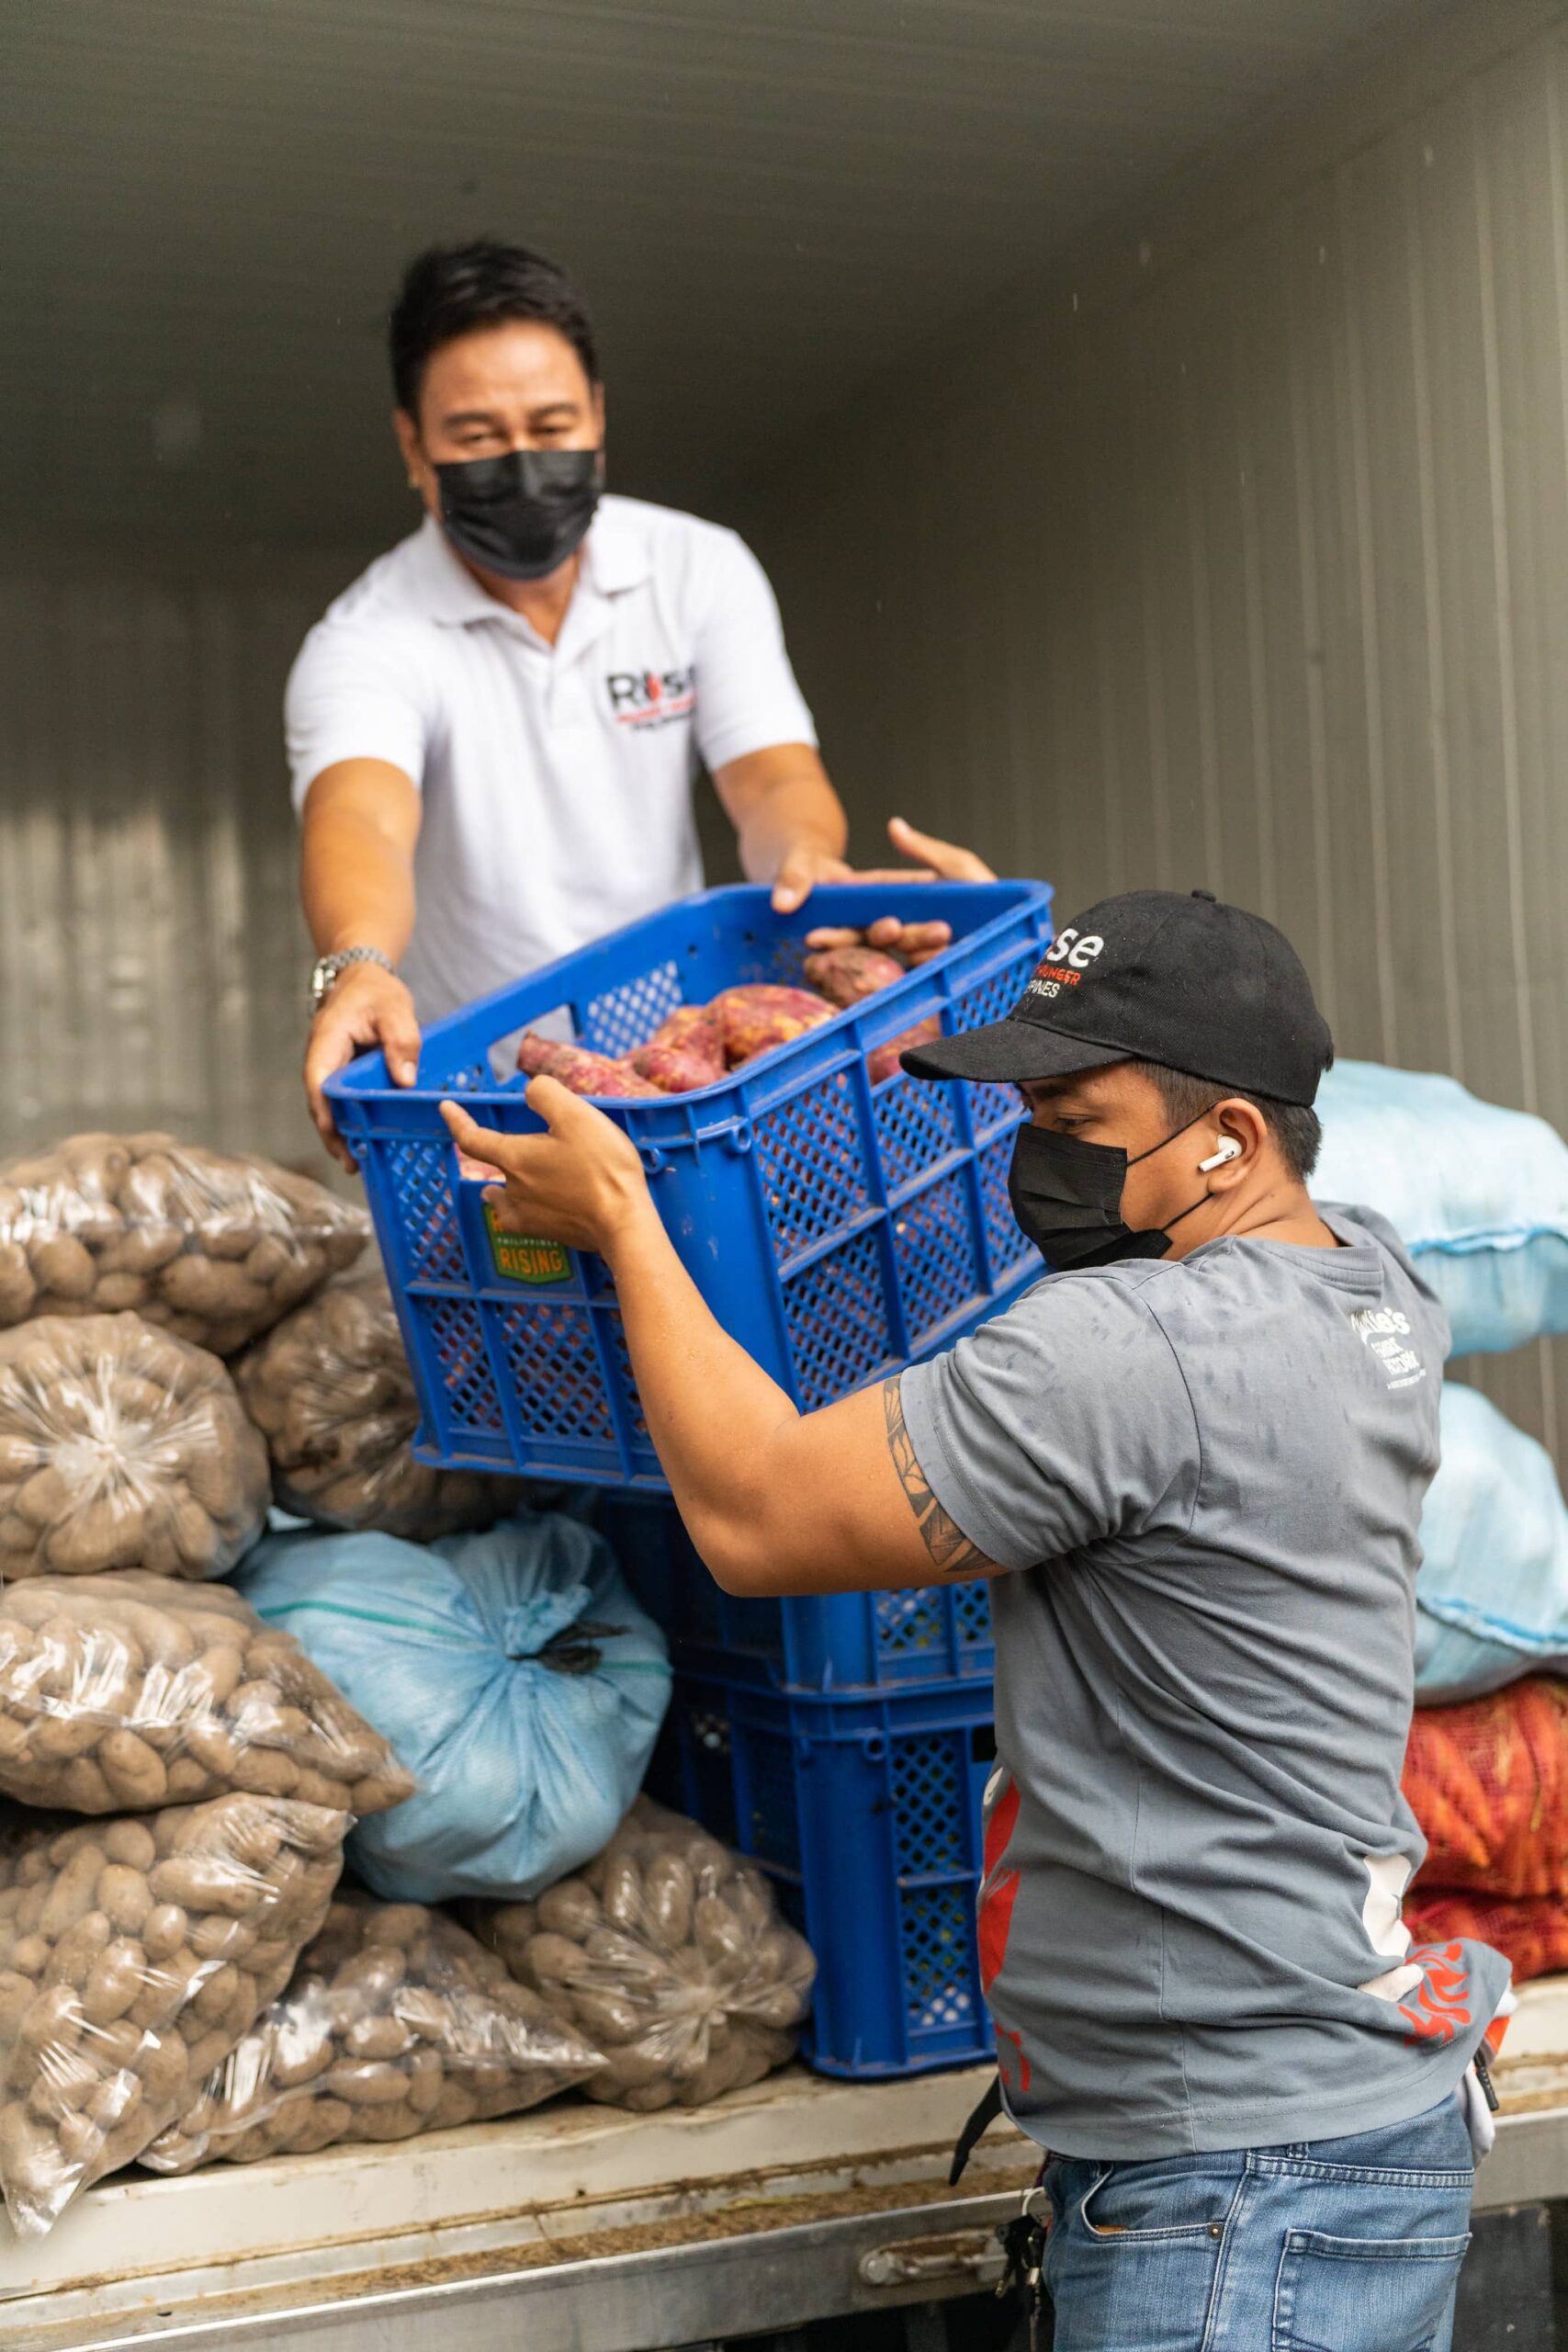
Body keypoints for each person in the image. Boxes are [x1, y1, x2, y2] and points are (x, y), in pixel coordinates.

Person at [441, 886, 1509, 2352]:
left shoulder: (1128, 1348)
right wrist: (1042, 965)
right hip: (1350, 2120)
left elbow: (754, 1518)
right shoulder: (1366, 1285)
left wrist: (624, 1221)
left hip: (1231, 2190)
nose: (1035, 1149)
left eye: (1073, 1111)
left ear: (1228, 1140)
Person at [289, 236, 977, 1167]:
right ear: (414, 445)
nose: (525, 463)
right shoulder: (367, 639)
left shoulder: (696, 568)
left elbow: (772, 777)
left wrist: (808, 861)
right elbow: (361, 817)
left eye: (552, 423)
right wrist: (359, 963)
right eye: (478, 438)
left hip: (683, 1076)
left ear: (599, 418)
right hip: (494, 1113)